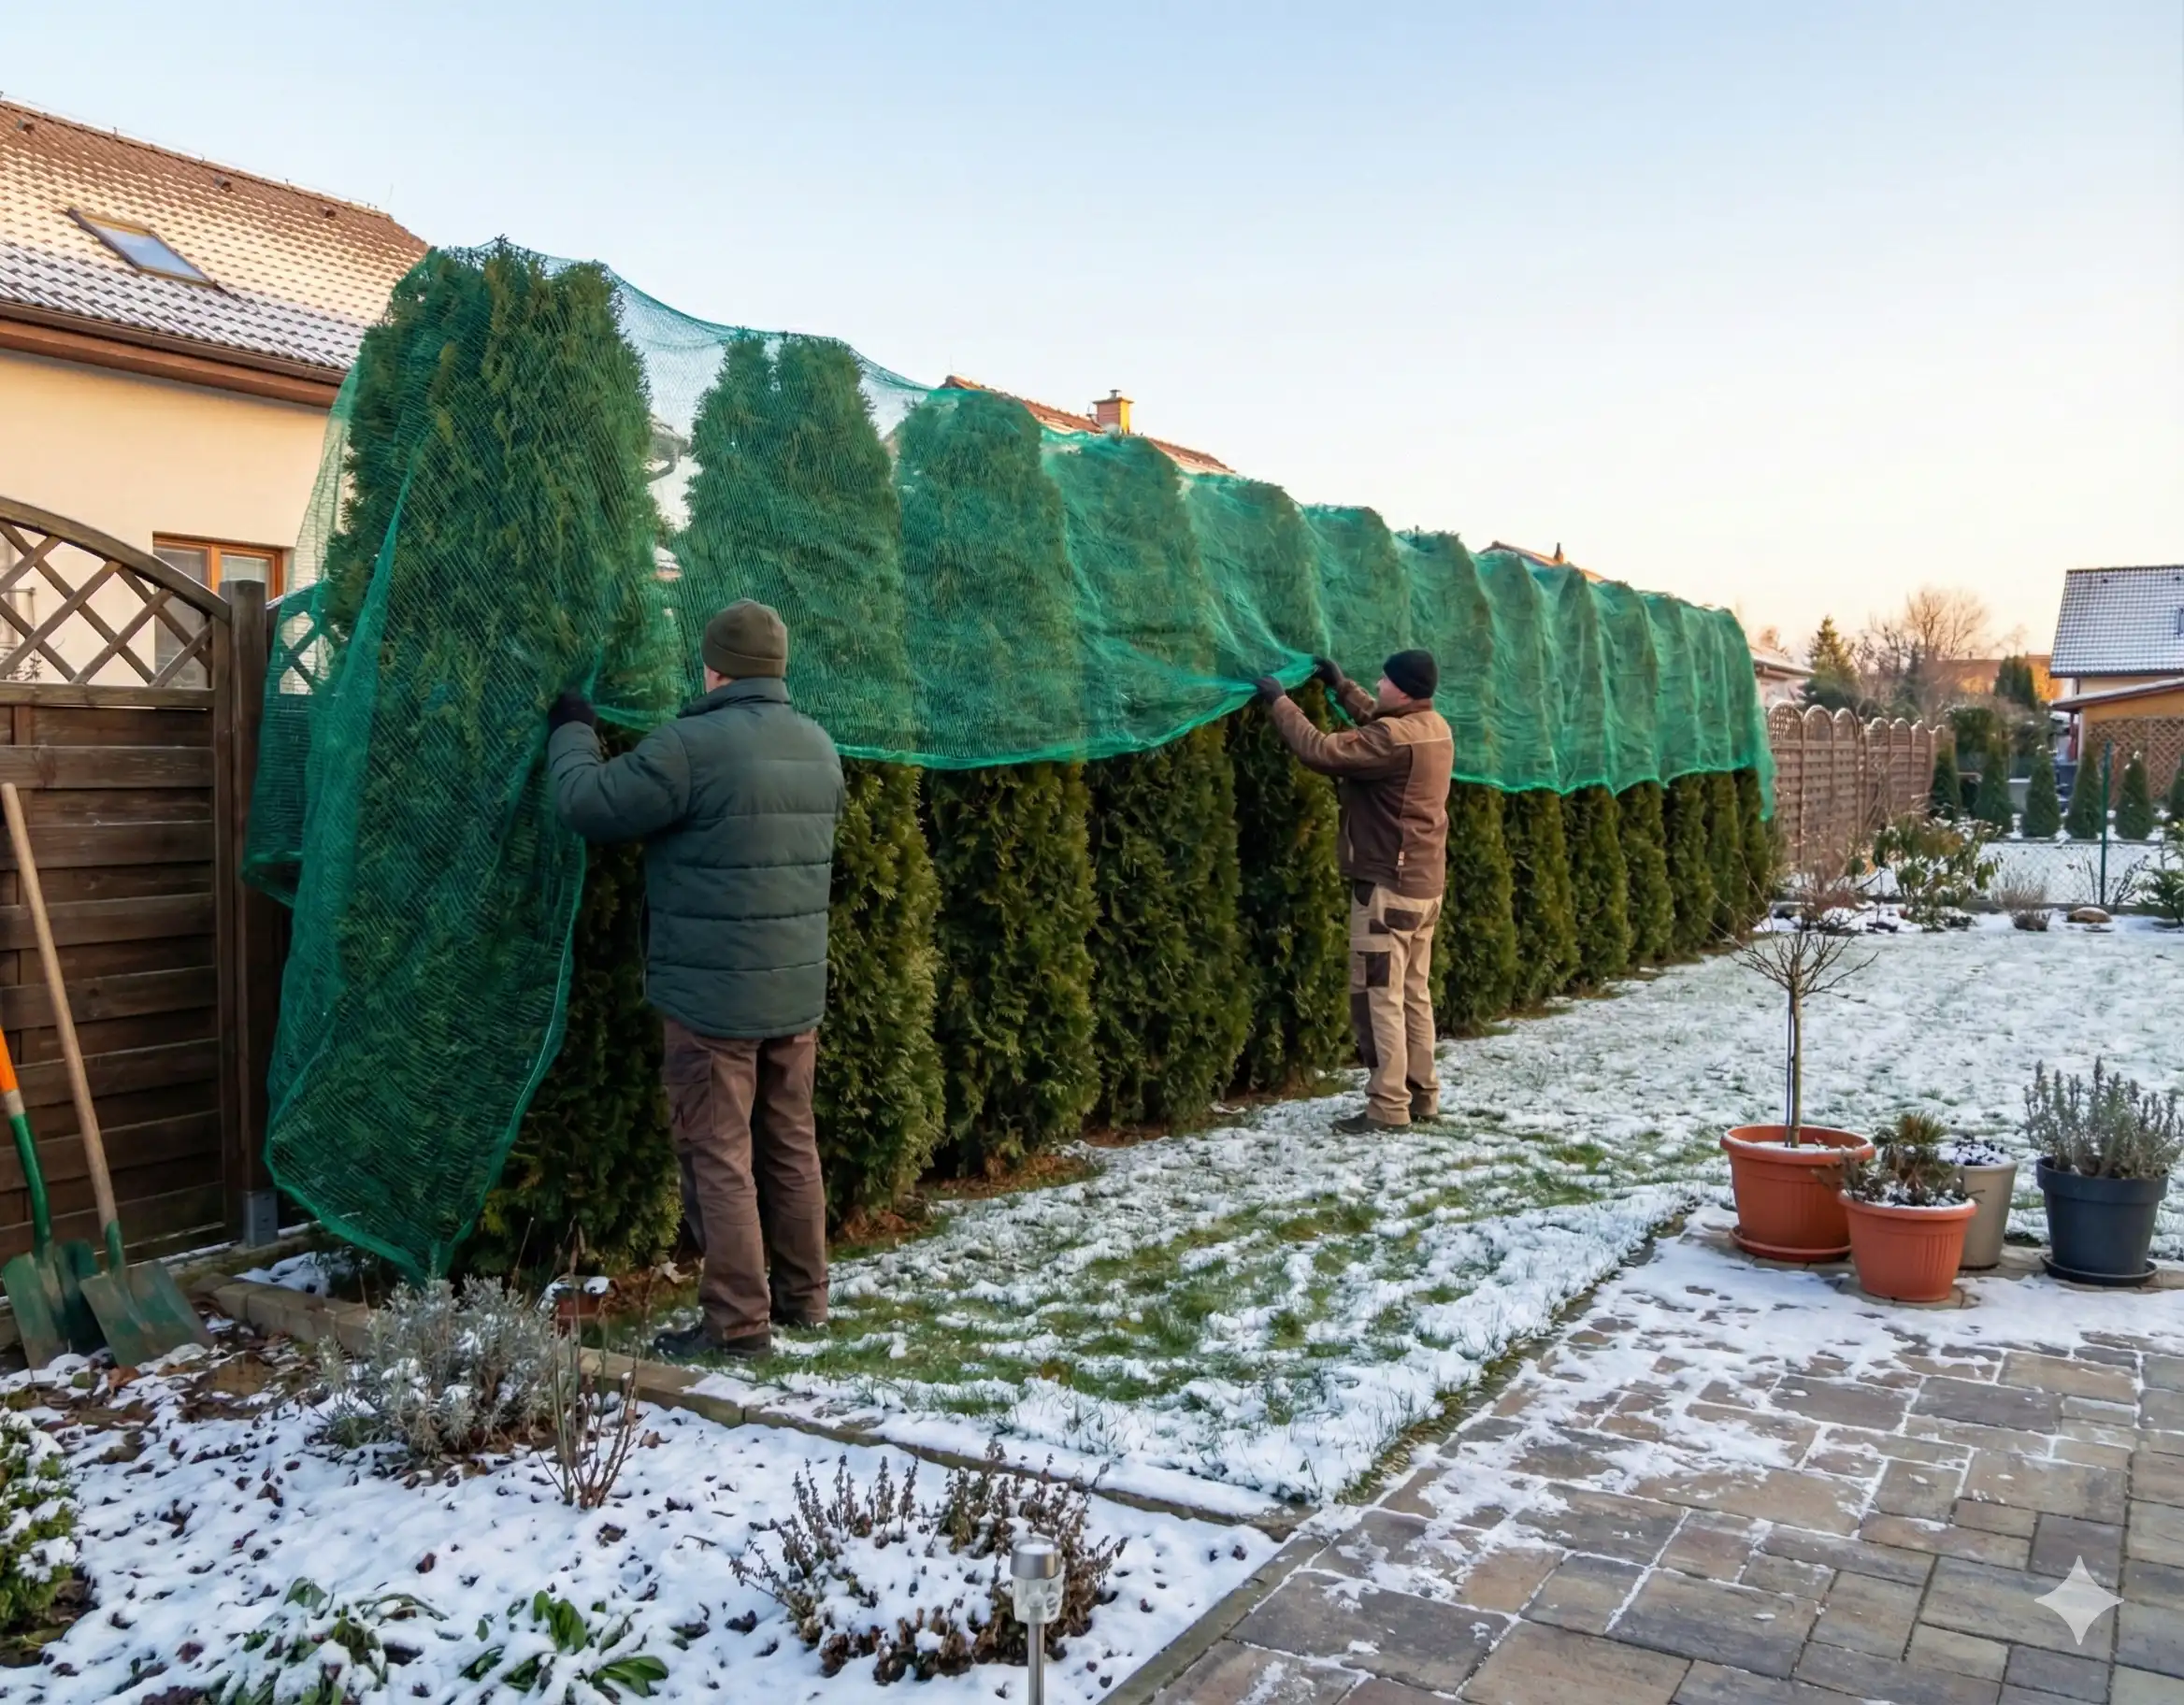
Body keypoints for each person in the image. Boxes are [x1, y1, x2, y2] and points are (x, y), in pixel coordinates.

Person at [547, 599, 845, 1361]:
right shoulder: (818, 744)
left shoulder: (690, 745)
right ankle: (805, 1299)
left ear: (714, 668)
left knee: (717, 1152)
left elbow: (587, 803)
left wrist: (574, 728)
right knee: (790, 1141)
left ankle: (739, 1324)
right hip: (793, 990)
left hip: (713, 1001)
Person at [1255, 651, 1453, 1134]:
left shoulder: (1392, 738)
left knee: (1379, 995)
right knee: (1413, 994)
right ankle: (1423, 1096)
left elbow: (1323, 751)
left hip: (1387, 888)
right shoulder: (1434, 726)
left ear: (1403, 689)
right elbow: (1377, 725)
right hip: (1425, 887)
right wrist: (1340, 686)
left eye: (1385, 679)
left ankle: (1387, 1107)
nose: (1379, 684)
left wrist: (1280, 703)